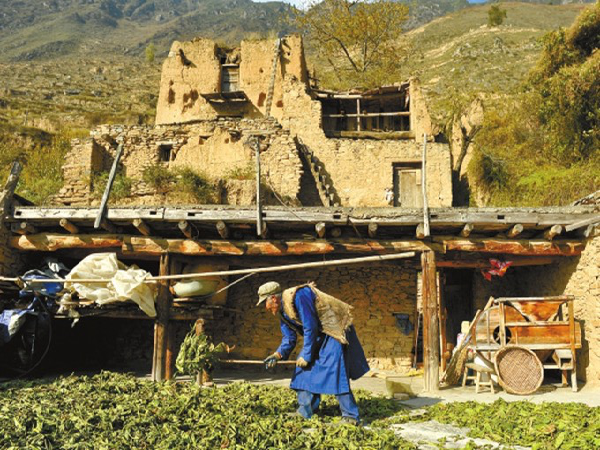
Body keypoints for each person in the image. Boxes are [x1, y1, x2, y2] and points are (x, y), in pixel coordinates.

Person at [257, 281, 370, 425]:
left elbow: (310, 326)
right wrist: (277, 355)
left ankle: (351, 417)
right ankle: (306, 411)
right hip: (318, 335)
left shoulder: (299, 295)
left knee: (335, 372)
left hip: (333, 332)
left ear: (273, 298)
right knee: (303, 371)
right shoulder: (282, 312)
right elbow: (289, 338)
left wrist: (306, 355)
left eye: (264, 303)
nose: (265, 308)